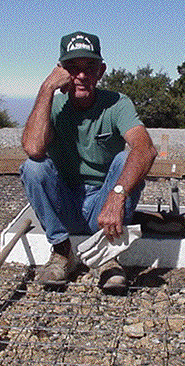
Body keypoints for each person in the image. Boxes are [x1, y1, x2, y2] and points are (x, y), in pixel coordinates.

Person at [20, 31, 157, 293]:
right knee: (33, 166)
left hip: (104, 206)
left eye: (89, 67)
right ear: (60, 71)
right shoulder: (54, 105)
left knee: (128, 158)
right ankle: (62, 251)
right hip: (65, 203)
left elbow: (145, 148)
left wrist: (117, 195)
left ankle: (108, 256)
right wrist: (47, 88)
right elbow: (34, 148)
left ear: (101, 71)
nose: (81, 75)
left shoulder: (117, 104)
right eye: (72, 68)